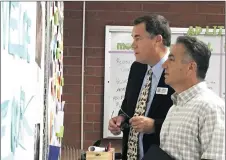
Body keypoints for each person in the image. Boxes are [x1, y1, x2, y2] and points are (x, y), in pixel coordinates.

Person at [108, 14, 175, 160]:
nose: (133, 44)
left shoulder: (177, 71)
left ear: (157, 40)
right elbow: (127, 106)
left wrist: (154, 126)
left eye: (138, 38)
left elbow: (186, 122)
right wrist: (120, 119)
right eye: (133, 39)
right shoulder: (137, 68)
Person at [160, 36, 225, 160]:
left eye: (171, 59)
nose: (164, 65)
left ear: (190, 67)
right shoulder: (175, 107)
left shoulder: (211, 108)